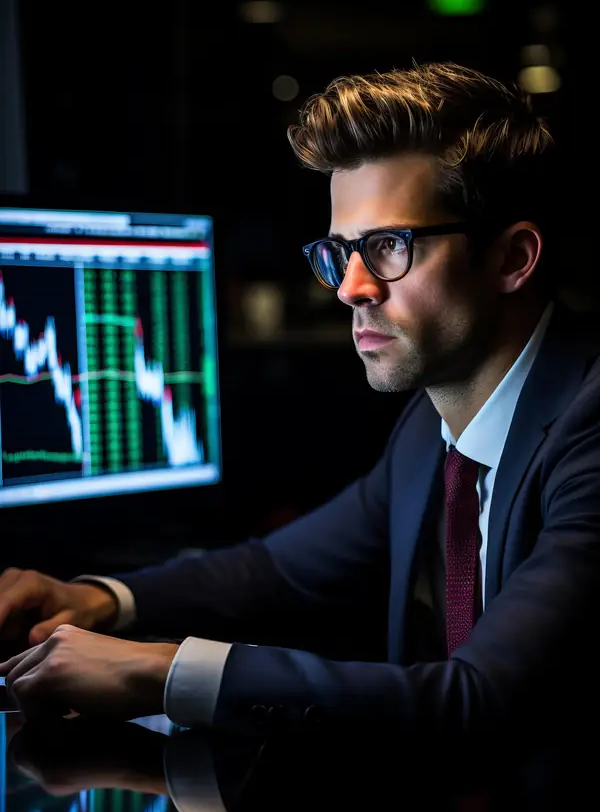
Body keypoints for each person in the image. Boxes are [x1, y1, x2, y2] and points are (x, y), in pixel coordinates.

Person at [1, 62, 599, 734]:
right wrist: (96, 599)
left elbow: (480, 701)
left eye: (388, 246)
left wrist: (162, 672)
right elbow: (279, 568)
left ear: (513, 259)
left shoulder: (589, 429)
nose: (350, 288)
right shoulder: (433, 427)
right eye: (340, 251)